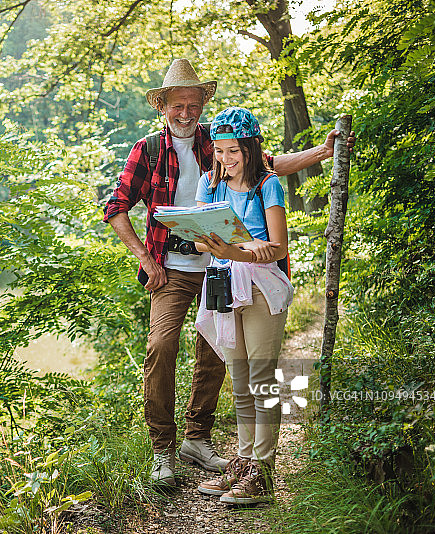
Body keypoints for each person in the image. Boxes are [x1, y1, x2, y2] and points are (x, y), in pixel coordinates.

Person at [103, 58, 353, 486]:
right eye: (177, 105)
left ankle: (198, 440)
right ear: (161, 106)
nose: (186, 112)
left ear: (202, 103)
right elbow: (116, 208)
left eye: (193, 103)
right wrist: (145, 259)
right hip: (173, 268)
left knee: (220, 354)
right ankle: (162, 448)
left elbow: (268, 166)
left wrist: (323, 151)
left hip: (225, 268)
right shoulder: (147, 149)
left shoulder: (218, 141)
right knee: (161, 346)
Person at [193, 106, 292, 504]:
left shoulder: (268, 185)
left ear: (250, 148)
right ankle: (244, 460)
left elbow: (278, 246)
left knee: (260, 377)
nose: (225, 159)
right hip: (223, 285)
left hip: (263, 287)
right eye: (219, 151)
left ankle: (262, 474)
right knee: (238, 381)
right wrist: (241, 247)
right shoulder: (208, 185)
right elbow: (200, 241)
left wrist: (241, 251)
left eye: (233, 151)